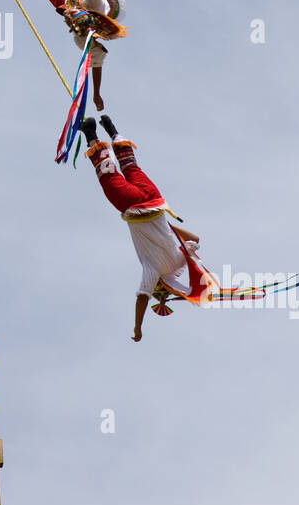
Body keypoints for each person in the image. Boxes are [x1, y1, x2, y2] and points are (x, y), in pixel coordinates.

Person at [78, 114, 211, 342]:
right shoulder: (153, 270)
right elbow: (142, 297)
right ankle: (91, 134)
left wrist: (169, 229)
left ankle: (113, 131)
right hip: (134, 206)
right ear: (161, 285)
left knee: (131, 167)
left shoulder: (180, 258)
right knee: (109, 177)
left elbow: (196, 240)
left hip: (156, 202)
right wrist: (137, 328)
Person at [32, 0, 127, 111]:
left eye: (69, 17)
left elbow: (96, 62)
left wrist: (96, 94)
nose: (67, 15)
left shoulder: (81, 37)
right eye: (71, 15)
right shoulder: (92, 0)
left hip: (76, 3)